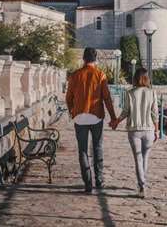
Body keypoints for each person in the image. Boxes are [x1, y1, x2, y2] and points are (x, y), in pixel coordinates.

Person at [66, 47, 118, 193]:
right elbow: (106, 98)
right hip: (96, 117)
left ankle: (88, 183)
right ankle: (99, 181)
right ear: (96, 59)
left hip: (79, 117)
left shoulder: (75, 75)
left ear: (83, 59)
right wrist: (113, 117)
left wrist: (72, 112)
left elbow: (68, 97)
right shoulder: (100, 75)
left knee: (82, 150)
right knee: (97, 148)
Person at [112, 67, 159, 198]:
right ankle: (142, 183)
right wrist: (157, 130)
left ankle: (142, 186)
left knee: (138, 158)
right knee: (145, 157)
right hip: (149, 129)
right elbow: (155, 113)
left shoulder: (130, 93)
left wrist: (116, 121)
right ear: (147, 78)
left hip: (134, 130)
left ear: (135, 78)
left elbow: (125, 111)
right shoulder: (152, 92)